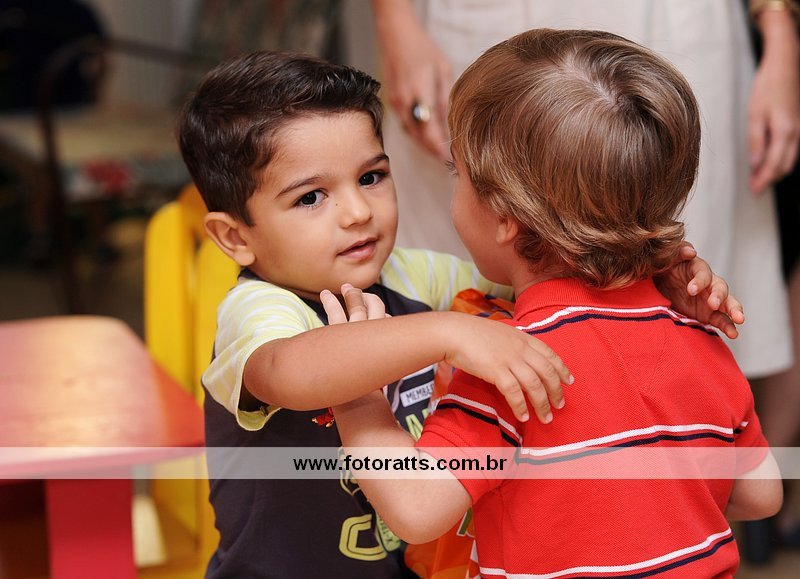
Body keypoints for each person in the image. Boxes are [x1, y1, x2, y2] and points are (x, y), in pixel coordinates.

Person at [177, 50, 742, 577]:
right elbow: (287, 371)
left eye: (371, 177)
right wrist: (447, 331)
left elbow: (547, 277)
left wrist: (657, 276)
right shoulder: (259, 308)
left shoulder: (410, 274)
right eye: (310, 197)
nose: (357, 212)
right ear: (236, 238)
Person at [331, 29, 782, 578]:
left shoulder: (512, 363)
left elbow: (417, 507)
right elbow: (760, 494)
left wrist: (354, 391)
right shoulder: (699, 335)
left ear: (504, 217)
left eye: (458, 175)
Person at [370, 0, 799, 390]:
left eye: (456, 173)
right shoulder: (708, 382)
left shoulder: (491, 391)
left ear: (505, 214)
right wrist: (395, 20)